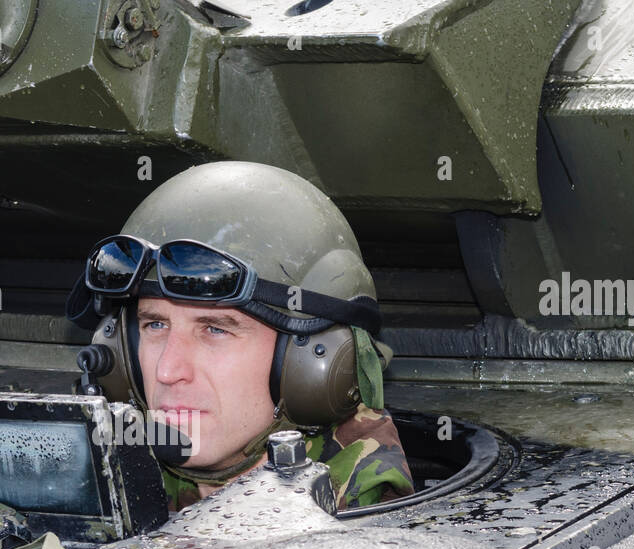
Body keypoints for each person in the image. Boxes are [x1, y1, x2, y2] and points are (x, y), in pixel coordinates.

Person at [67, 161, 413, 512]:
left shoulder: (361, 538)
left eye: (215, 330)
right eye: (154, 325)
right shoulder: (100, 475)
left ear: (309, 367)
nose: (167, 371)